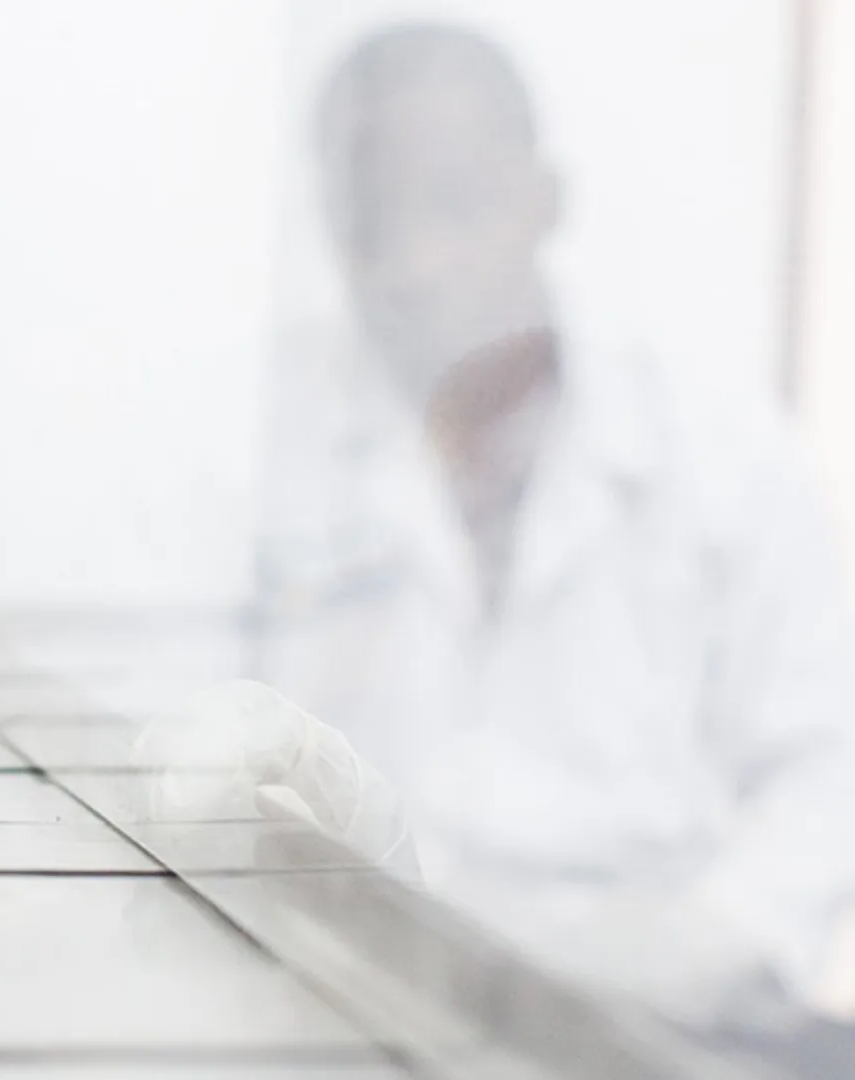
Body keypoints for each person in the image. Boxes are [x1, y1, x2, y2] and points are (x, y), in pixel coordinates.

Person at [240, 19, 855, 1065]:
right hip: (362, 1010)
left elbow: (828, 771)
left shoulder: (719, 461)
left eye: (455, 206)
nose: (413, 263)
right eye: (370, 220)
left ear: (545, 202)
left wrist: (689, 953)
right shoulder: (271, 456)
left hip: (669, 1015)